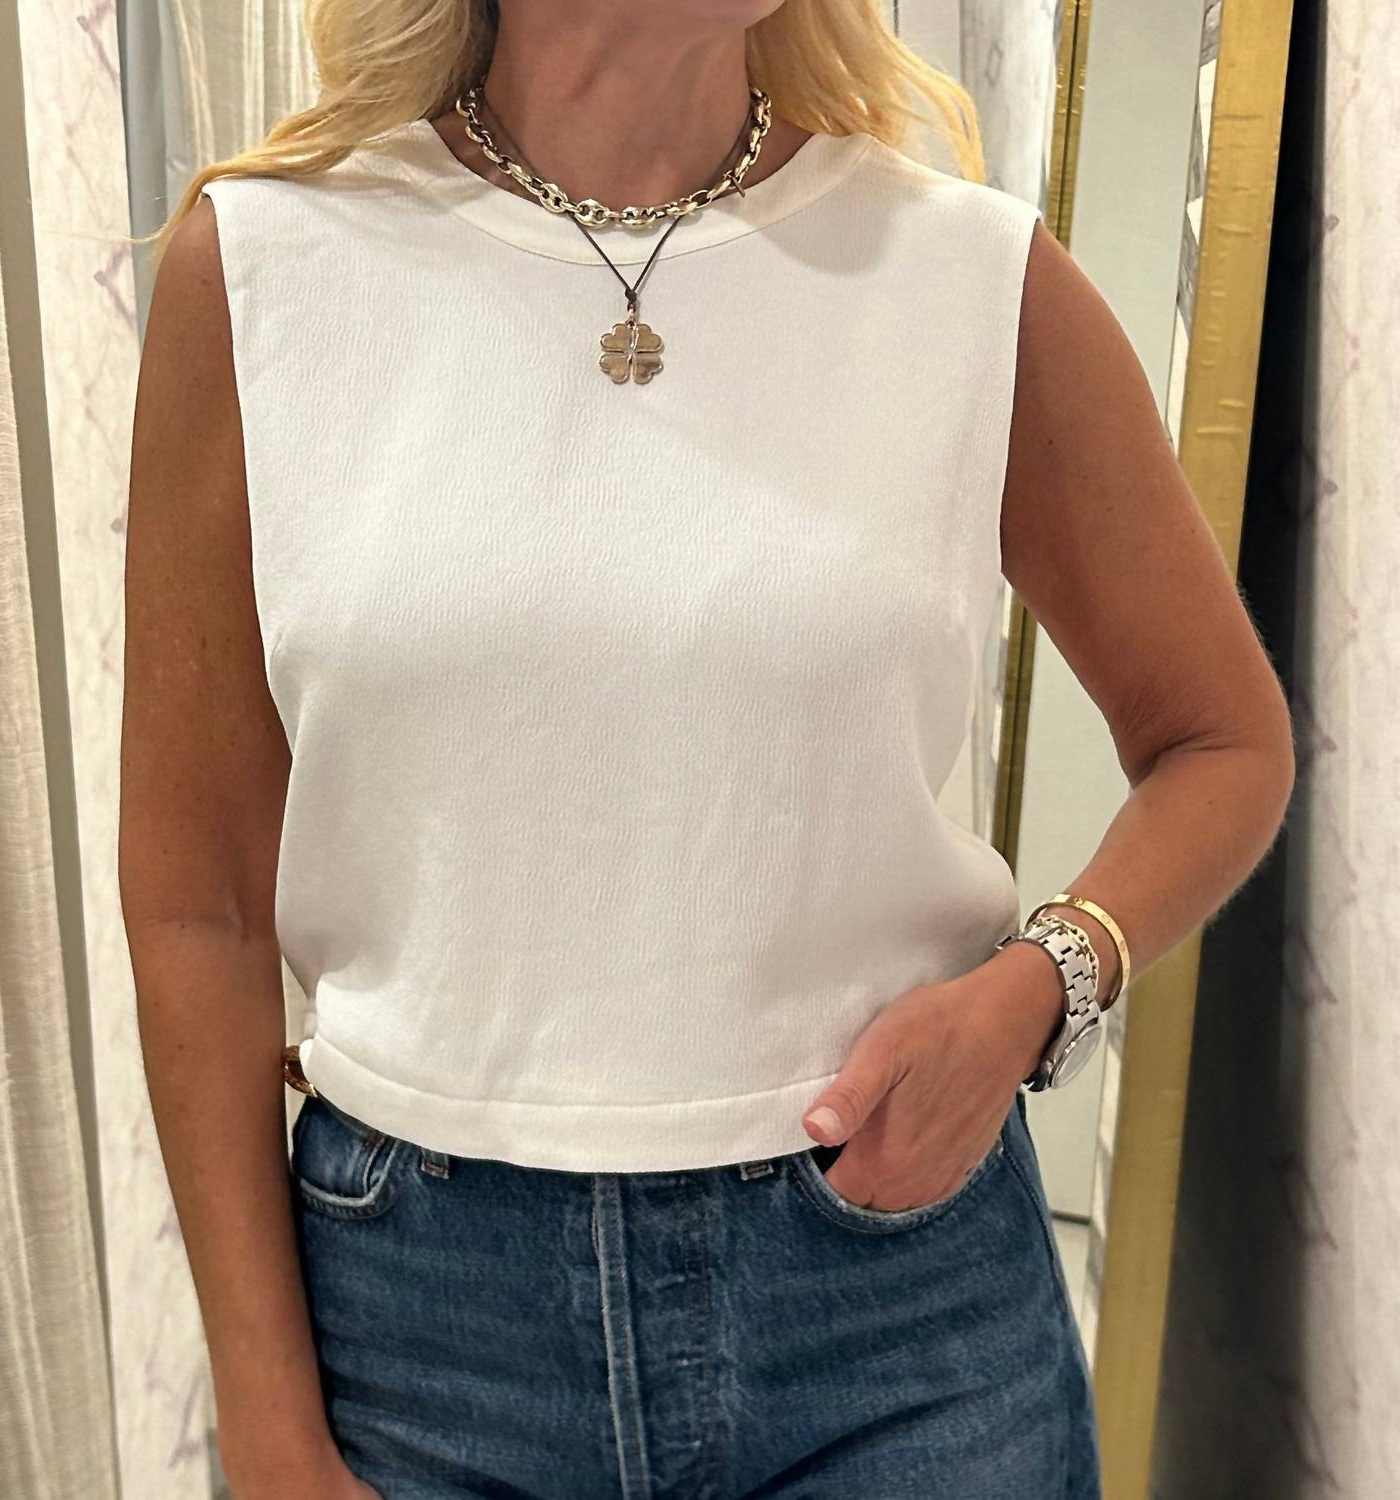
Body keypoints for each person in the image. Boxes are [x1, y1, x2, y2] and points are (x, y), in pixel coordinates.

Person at [118, 1, 1296, 1496]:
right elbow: (200, 902)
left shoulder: (963, 276)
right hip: (424, 1339)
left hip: (902, 1315)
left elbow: (1220, 737)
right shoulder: (267, 270)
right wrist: (268, 1427)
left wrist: (1037, 990)